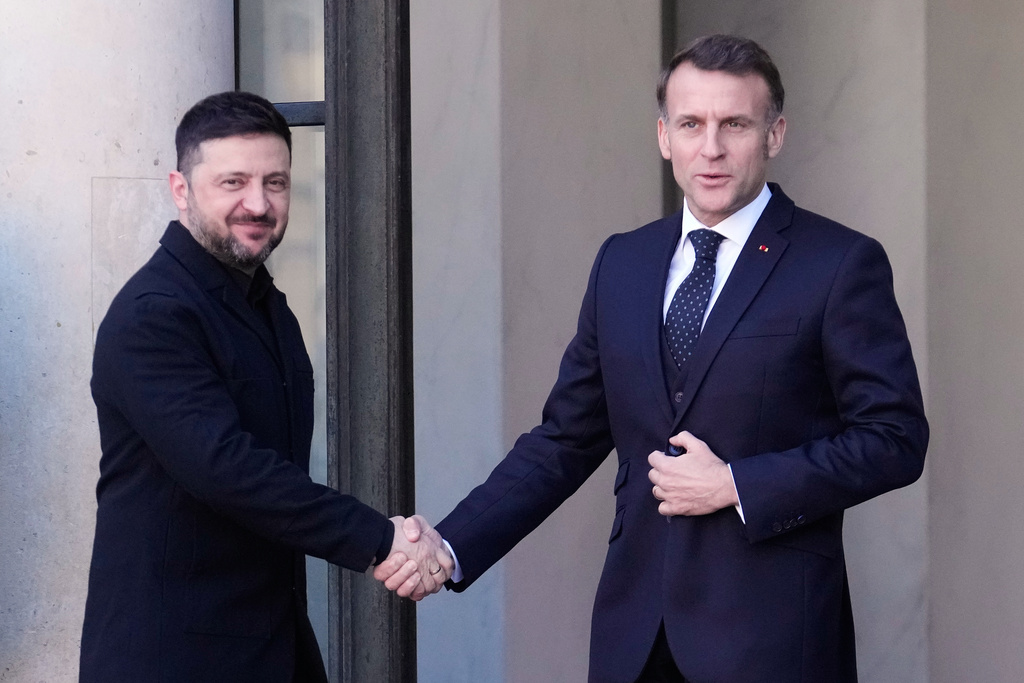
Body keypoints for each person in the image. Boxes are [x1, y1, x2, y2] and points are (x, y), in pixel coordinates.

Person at [378, 34, 928, 682]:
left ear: (775, 134)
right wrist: (449, 543)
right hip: (634, 637)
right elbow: (564, 439)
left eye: (736, 124)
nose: (712, 147)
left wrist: (737, 484)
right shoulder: (624, 262)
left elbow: (895, 437)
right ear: (664, 135)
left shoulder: (838, 263)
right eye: (691, 123)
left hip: (772, 641)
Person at [80, 91, 452, 683]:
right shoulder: (154, 315)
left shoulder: (267, 306)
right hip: (171, 657)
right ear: (180, 189)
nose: (258, 203)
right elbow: (229, 469)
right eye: (233, 182)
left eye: (275, 182)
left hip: (271, 647)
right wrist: (382, 540)